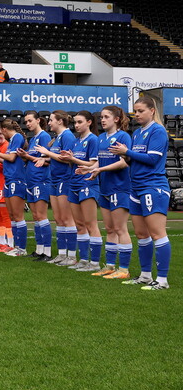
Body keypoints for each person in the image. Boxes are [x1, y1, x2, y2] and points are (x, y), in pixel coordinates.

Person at [112, 96, 173, 290]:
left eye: (140, 111)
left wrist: (127, 152)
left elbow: (152, 160)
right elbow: (136, 159)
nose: (136, 114)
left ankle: (162, 280)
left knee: (157, 233)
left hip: (152, 186)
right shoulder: (137, 133)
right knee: (141, 234)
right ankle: (146, 276)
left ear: (152, 111)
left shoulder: (158, 131)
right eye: (135, 111)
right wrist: (124, 155)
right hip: (136, 187)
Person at [76, 106, 132, 278]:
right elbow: (98, 163)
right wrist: (89, 169)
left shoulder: (123, 136)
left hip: (120, 187)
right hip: (105, 188)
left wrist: (101, 170)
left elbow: (125, 162)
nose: (103, 120)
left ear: (116, 119)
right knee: (109, 228)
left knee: (120, 228)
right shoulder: (101, 138)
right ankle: (109, 266)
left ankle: (123, 270)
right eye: (101, 117)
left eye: (106, 117)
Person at [57, 111, 102, 270]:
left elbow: (92, 165)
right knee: (80, 225)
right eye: (75, 122)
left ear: (89, 122)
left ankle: (95, 263)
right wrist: (68, 158)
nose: (76, 125)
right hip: (74, 183)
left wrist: (72, 159)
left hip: (87, 184)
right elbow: (75, 164)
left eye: (79, 122)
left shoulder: (93, 140)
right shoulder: (76, 142)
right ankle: (83, 260)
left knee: (91, 224)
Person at [35, 111, 78, 265]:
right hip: (55, 179)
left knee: (67, 219)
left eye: (51, 120)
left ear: (60, 121)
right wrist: (46, 158)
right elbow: (57, 157)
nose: (49, 122)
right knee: (59, 219)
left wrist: (47, 153)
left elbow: (68, 159)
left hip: (64, 179)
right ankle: (62, 254)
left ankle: (71, 256)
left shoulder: (67, 136)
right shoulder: (59, 137)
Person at [0, 119, 28, 256]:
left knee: (13, 215)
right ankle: (9, 244)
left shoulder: (16, 138)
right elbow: (7, 160)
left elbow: (10, 159)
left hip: (13, 179)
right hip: (6, 180)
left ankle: (18, 247)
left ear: (4, 130)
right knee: (8, 215)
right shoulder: (14, 139)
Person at [17, 112, 53, 260]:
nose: (28, 124)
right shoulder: (33, 139)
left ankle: (47, 251)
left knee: (42, 216)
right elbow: (33, 158)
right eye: (26, 122)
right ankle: (39, 249)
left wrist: (27, 157)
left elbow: (46, 159)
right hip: (31, 180)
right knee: (36, 216)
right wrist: (25, 156)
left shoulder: (44, 136)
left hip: (40, 179)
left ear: (38, 120)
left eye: (30, 121)